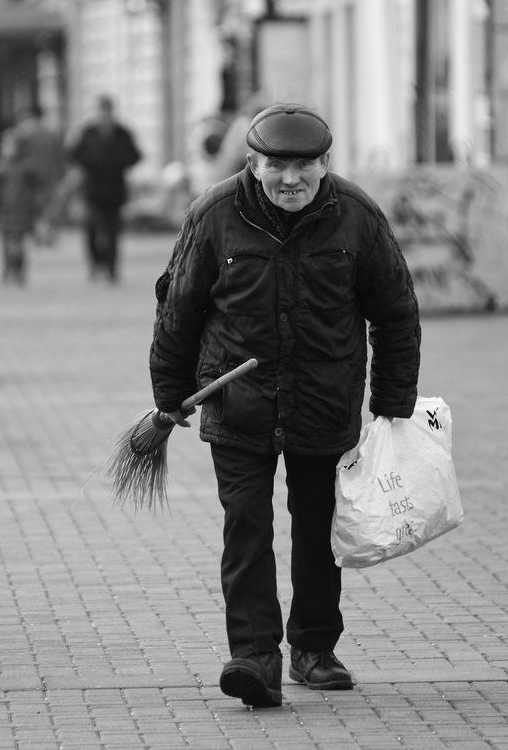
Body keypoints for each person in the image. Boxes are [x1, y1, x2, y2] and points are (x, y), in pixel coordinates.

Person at [148, 103, 421, 706]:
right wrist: (169, 394)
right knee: (245, 526)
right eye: (277, 165)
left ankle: (314, 650)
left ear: (326, 164)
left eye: (305, 165)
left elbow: (396, 311)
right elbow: (180, 308)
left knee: (319, 526)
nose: (290, 178)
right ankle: (254, 656)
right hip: (237, 401)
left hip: (324, 401)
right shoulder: (216, 214)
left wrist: (394, 398)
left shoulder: (356, 217)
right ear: (253, 162)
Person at [67, 94, 141, 282]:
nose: (104, 115)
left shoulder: (122, 133)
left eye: (106, 111)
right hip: (93, 190)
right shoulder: (88, 132)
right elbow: (73, 154)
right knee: (92, 230)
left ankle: (111, 268)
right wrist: (91, 163)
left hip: (115, 190)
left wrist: (117, 163)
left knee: (113, 232)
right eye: (101, 111)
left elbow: (135, 156)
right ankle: (95, 263)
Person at [0, 127, 41, 285]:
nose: (7, 149)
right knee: (5, 242)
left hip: (22, 209)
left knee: (18, 242)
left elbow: (34, 189)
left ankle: (18, 270)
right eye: (5, 146)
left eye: (10, 146)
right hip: (4, 209)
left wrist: (35, 208)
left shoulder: (26, 167)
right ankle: (7, 269)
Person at [13, 106, 66, 244]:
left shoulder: (23, 136)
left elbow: (16, 157)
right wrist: (61, 174)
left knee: (36, 206)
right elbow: (59, 157)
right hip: (47, 176)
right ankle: (44, 233)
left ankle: (40, 232)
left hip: (30, 176)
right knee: (46, 206)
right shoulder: (51, 135)